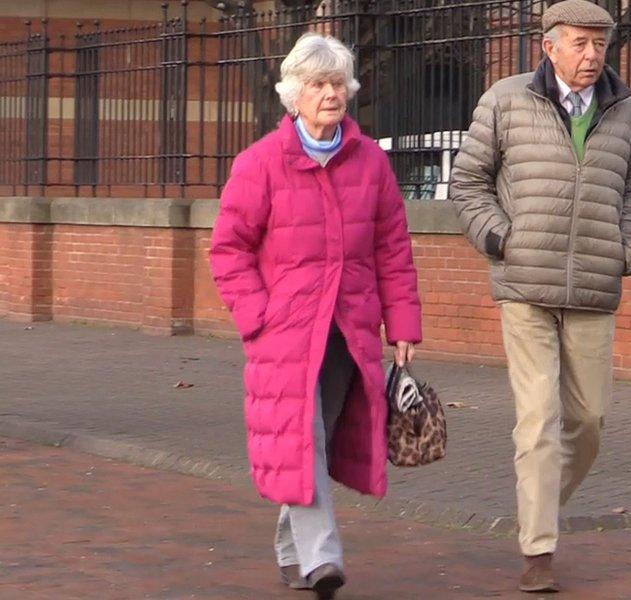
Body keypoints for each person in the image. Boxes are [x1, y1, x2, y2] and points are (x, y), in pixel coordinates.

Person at [449, 0, 631, 592]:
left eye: (600, 44)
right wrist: (499, 238)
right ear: (549, 46)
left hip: (595, 281)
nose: (592, 55)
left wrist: (628, 246)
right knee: (538, 418)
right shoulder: (506, 100)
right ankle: (537, 548)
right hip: (525, 283)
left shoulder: (628, 112)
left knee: (588, 420)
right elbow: (467, 180)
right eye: (579, 43)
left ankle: (533, 507)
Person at [209, 32, 421, 600]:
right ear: (294, 94)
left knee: (314, 442)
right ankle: (322, 557)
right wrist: (257, 316)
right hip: (285, 333)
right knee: (303, 437)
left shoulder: (371, 162)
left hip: (349, 331)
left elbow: (393, 249)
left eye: (338, 84)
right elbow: (228, 250)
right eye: (319, 85)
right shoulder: (260, 163)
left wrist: (402, 324)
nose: (331, 94)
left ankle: (290, 549)